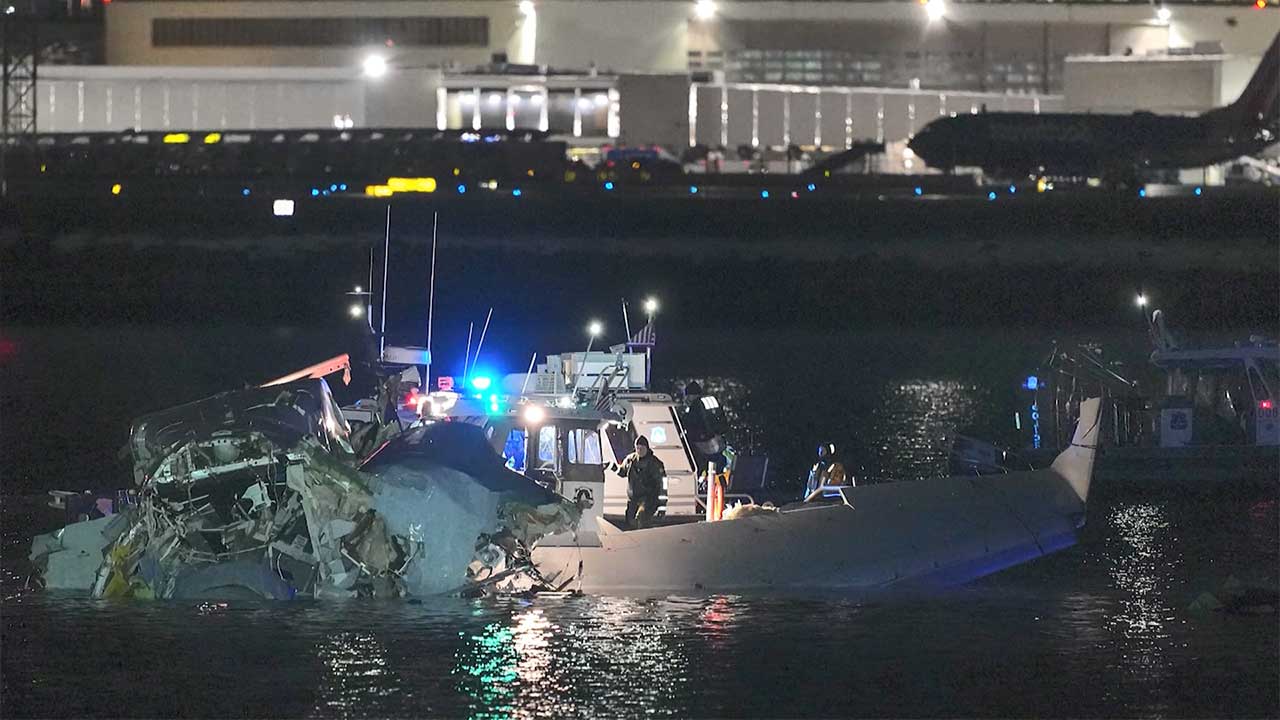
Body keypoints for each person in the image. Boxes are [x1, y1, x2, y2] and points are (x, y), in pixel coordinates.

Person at [618, 435, 665, 529]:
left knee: (641, 518)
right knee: (629, 521)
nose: (639, 451)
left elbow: (662, 485)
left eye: (641, 448)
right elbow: (622, 472)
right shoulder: (630, 460)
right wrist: (611, 466)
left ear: (647, 448)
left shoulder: (655, 463)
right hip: (633, 499)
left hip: (649, 499)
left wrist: (662, 506)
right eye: (637, 448)